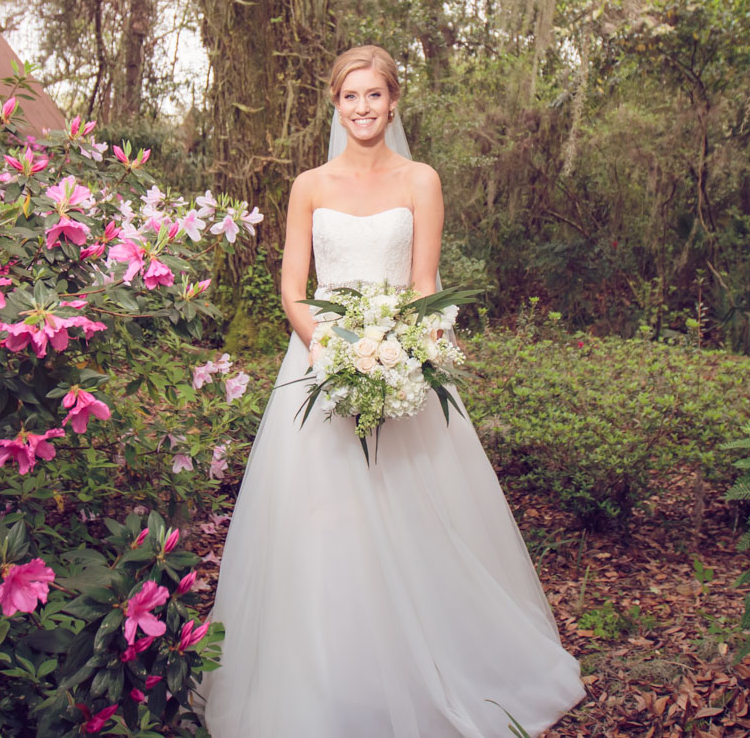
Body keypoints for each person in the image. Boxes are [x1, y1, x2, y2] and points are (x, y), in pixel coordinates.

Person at [193, 45, 586, 737]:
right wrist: (331, 352)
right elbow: (293, 288)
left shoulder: (421, 179)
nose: (363, 108)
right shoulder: (309, 185)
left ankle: (428, 669)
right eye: (351, 96)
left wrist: (408, 352)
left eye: (374, 95)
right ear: (335, 104)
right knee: (322, 525)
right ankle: (327, 686)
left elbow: (424, 282)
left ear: (393, 102)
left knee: (416, 517)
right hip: (319, 362)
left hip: (402, 360)